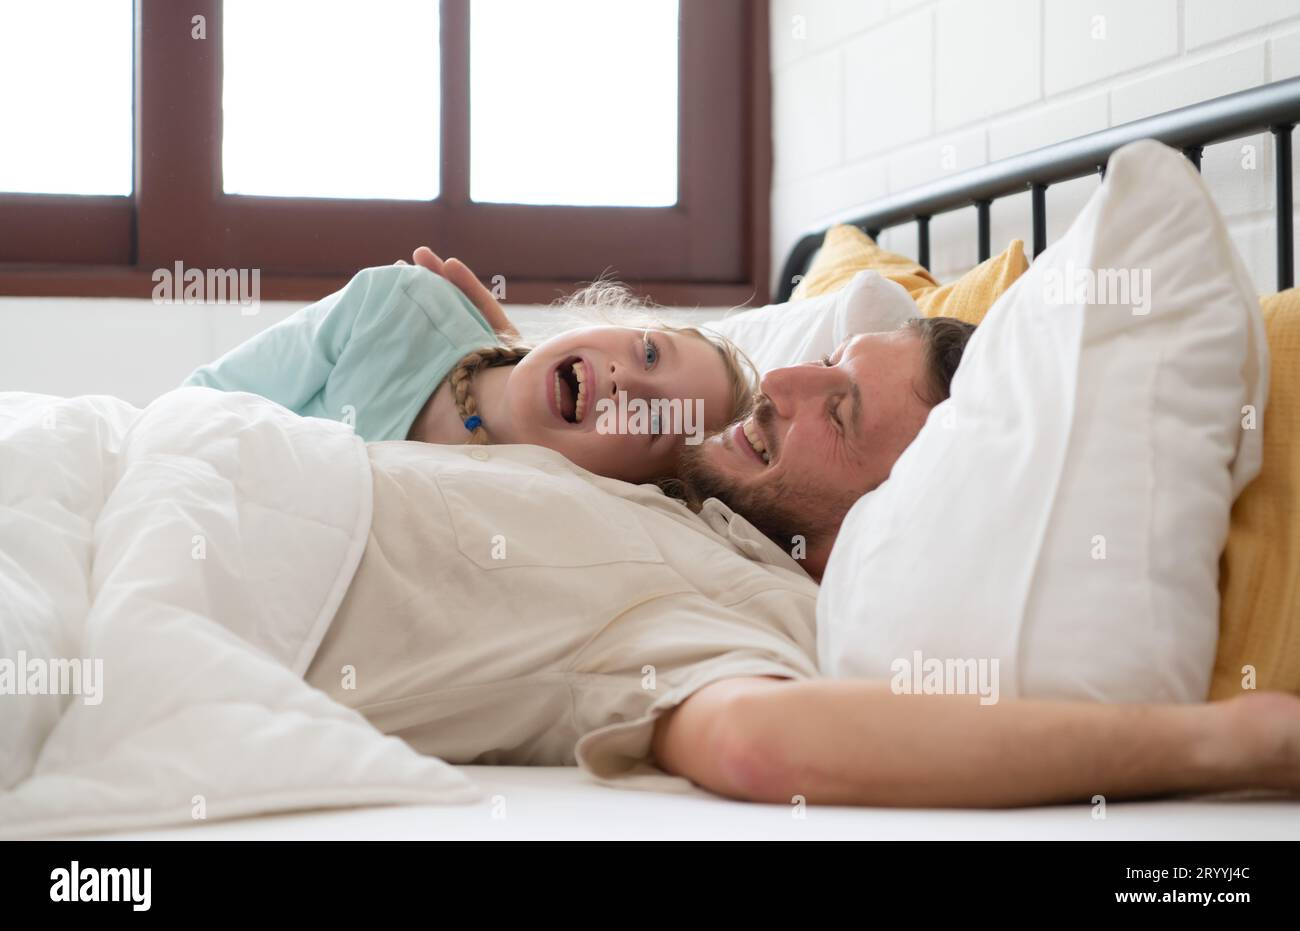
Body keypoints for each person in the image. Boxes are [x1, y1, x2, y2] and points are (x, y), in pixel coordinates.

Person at [329, 248, 1300, 809]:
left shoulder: (734, 597)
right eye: (823, 359)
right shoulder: (660, 488)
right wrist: (497, 380)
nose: (779, 382)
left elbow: (755, 741)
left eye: (837, 411)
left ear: (902, 506)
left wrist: (1228, 742)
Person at [182, 251, 756, 484]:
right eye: (649, 352)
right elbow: (197, 405)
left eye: (651, 420)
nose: (627, 382)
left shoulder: (530, 518)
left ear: (629, 487)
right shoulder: (401, 306)